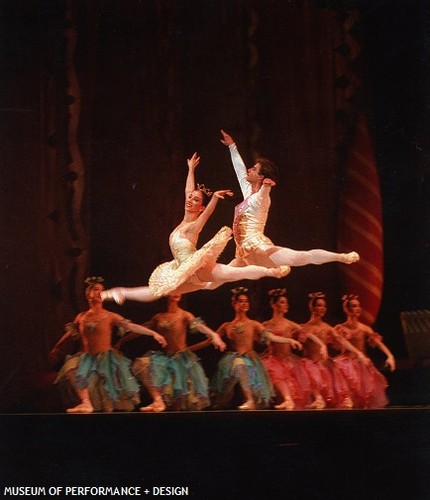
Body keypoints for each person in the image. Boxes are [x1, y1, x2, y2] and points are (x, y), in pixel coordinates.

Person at [101, 153, 290, 305]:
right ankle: (120, 292)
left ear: (200, 207)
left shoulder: (194, 226)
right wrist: (191, 169)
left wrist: (214, 198)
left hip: (196, 269)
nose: (190, 201)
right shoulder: (183, 221)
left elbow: (207, 213)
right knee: (161, 290)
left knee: (229, 274)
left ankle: (271, 271)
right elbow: (188, 191)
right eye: (190, 198)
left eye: (196, 200)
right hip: (181, 271)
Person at [214, 129, 360, 270]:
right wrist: (232, 146)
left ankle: (342, 257)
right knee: (218, 278)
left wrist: (266, 187)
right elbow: (239, 171)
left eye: (253, 168)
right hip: (243, 251)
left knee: (300, 257)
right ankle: (274, 271)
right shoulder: (248, 193)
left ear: (260, 177)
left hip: (257, 246)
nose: (249, 170)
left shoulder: (260, 198)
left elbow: (263, 195)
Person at [49, 277, 167, 413]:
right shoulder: (81, 317)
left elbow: (131, 326)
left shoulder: (110, 316)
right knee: (70, 367)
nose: (100, 293)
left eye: (102, 290)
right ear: (88, 294)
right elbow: (69, 334)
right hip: (87, 358)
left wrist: (153, 333)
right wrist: (57, 347)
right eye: (96, 289)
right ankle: (86, 403)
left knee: (107, 393)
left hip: (107, 359)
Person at [121, 293, 226, 412]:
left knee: (178, 401)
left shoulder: (184, 314)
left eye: (179, 290)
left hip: (182, 360)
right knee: (140, 364)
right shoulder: (158, 317)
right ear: (166, 293)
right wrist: (121, 341)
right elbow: (142, 330)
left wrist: (214, 335)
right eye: (173, 290)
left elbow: (199, 326)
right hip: (165, 359)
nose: (177, 293)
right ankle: (157, 400)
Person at [210, 287, 299, 410]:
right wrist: (191, 349)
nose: (244, 304)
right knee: (223, 397)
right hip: (230, 361)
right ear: (234, 304)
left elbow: (271, 336)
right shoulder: (227, 325)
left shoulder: (254, 324)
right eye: (240, 301)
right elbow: (209, 340)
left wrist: (288, 340)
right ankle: (224, 401)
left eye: (246, 301)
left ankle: (250, 400)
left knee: (240, 365)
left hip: (249, 360)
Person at [299, 292, 369, 409]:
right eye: (319, 305)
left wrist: (358, 353)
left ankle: (342, 400)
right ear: (312, 307)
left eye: (324, 306)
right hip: (309, 365)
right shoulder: (303, 327)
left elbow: (342, 341)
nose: (322, 308)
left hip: (323, 366)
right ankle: (318, 399)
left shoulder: (328, 328)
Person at [333, 294, 396, 408]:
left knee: (364, 398)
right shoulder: (339, 327)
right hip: (345, 364)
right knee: (347, 398)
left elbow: (379, 343)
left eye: (357, 306)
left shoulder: (364, 328)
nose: (356, 309)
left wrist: (390, 356)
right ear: (346, 309)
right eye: (352, 306)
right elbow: (341, 342)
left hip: (361, 365)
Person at [260, 288, 311, 410]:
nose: (286, 304)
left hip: (287, 360)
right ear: (274, 304)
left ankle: (288, 401)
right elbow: (263, 338)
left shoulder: (289, 324)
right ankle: (287, 401)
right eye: (282, 302)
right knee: (275, 375)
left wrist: (322, 345)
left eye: (286, 302)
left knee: (288, 384)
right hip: (272, 359)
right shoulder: (266, 325)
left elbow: (306, 333)